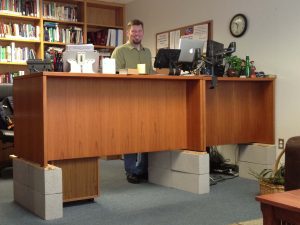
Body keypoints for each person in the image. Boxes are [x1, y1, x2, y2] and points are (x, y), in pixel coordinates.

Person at [111, 19, 154, 184]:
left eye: (139, 31)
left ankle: (142, 169)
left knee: (145, 135)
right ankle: (131, 171)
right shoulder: (120, 51)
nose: (137, 34)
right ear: (128, 33)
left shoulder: (147, 52)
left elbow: (150, 73)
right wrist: (138, 71)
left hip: (146, 99)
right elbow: (113, 72)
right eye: (133, 31)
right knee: (130, 135)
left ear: (143, 32)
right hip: (126, 99)